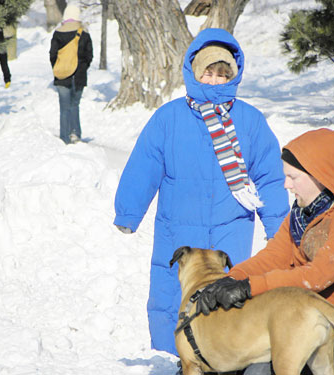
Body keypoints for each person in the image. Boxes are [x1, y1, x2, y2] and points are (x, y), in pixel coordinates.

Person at [113, 28, 289, 357]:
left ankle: (225, 359)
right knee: (170, 301)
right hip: (178, 230)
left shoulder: (249, 121)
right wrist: (129, 211)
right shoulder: (169, 118)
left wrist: (277, 225)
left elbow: (269, 176)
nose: (214, 79)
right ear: (194, 71)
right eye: (208, 71)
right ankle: (170, 358)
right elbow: (144, 165)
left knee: (230, 298)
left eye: (223, 73)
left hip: (230, 230)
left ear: (233, 76)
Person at [196, 128, 334, 375]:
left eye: (293, 177)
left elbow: (313, 277)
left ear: (320, 176)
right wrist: (230, 280)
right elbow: (273, 257)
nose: (286, 184)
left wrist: (249, 287)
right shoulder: (301, 215)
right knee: (234, 360)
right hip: (295, 315)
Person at [49, 4, 93, 144]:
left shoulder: (57, 33)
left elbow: (52, 55)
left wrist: (59, 68)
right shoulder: (84, 34)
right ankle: (76, 133)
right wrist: (81, 68)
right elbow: (89, 56)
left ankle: (64, 137)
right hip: (79, 76)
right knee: (75, 105)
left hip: (62, 76)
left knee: (64, 108)